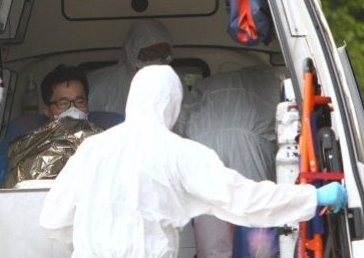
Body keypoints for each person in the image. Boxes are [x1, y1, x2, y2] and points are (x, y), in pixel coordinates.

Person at [39, 65, 347, 257]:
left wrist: (93, 243)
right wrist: (313, 196)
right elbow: (244, 201)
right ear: (174, 103)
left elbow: (53, 221)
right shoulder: (179, 153)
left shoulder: (92, 149)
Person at [174, 65, 283, 257]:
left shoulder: (205, 86)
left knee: (211, 220)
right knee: (254, 215)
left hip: (203, 143)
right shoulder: (273, 82)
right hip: (250, 143)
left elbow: (181, 125)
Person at [0, 64, 105, 188]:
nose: (73, 109)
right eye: (63, 103)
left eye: (80, 101)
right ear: (47, 110)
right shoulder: (29, 146)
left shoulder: (105, 140)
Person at [87, 19, 173, 115]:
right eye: (150, 54)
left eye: (163, 55)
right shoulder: (101, 85)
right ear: (132, 52)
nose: (157, 61)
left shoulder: (175, 85)